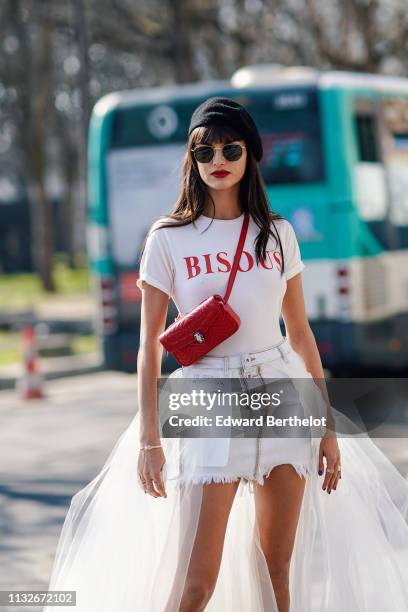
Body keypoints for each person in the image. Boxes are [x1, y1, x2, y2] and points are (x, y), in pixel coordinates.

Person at [44, 98, 408, 612]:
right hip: (208, 399)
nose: (218, 158)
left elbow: (301, 333)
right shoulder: (167, 239)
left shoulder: (277, 234)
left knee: (275, 569)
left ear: (249, 156)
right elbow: (149, 347)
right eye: (205, 149)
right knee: (196, 585)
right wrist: (149, 438)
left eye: (231, 148)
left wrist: (327, 427)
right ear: (192, 159)